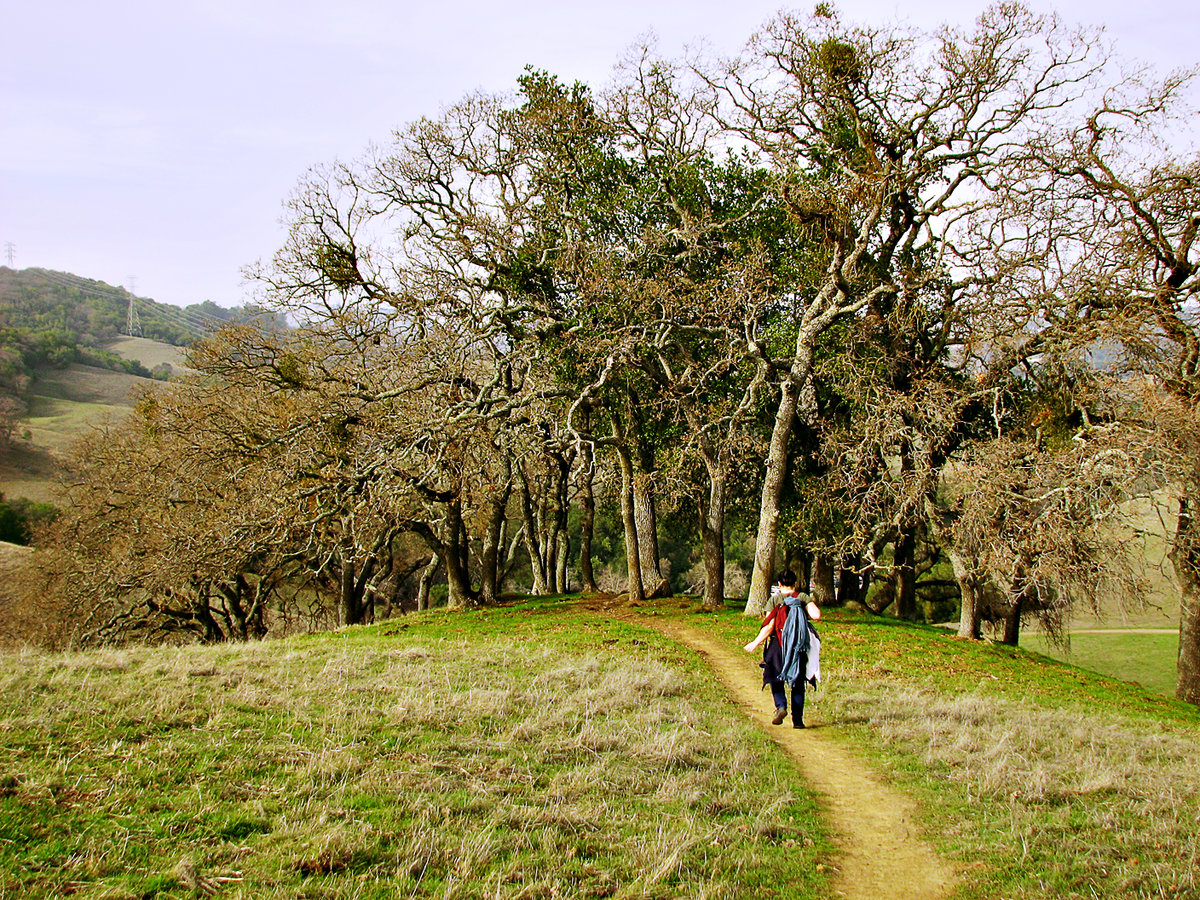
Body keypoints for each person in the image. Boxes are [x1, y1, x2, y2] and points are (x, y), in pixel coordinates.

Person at [743, 569, 820, 728]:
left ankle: (781, 706)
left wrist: (755, 642)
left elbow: (769, 626)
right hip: (797, 647)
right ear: (795, 584)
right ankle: (797, 721)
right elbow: (816, 615)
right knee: (798, 682)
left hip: (778, 645)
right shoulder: (802, 597)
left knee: (774, 677)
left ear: (779, 584)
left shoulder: (775, 600)